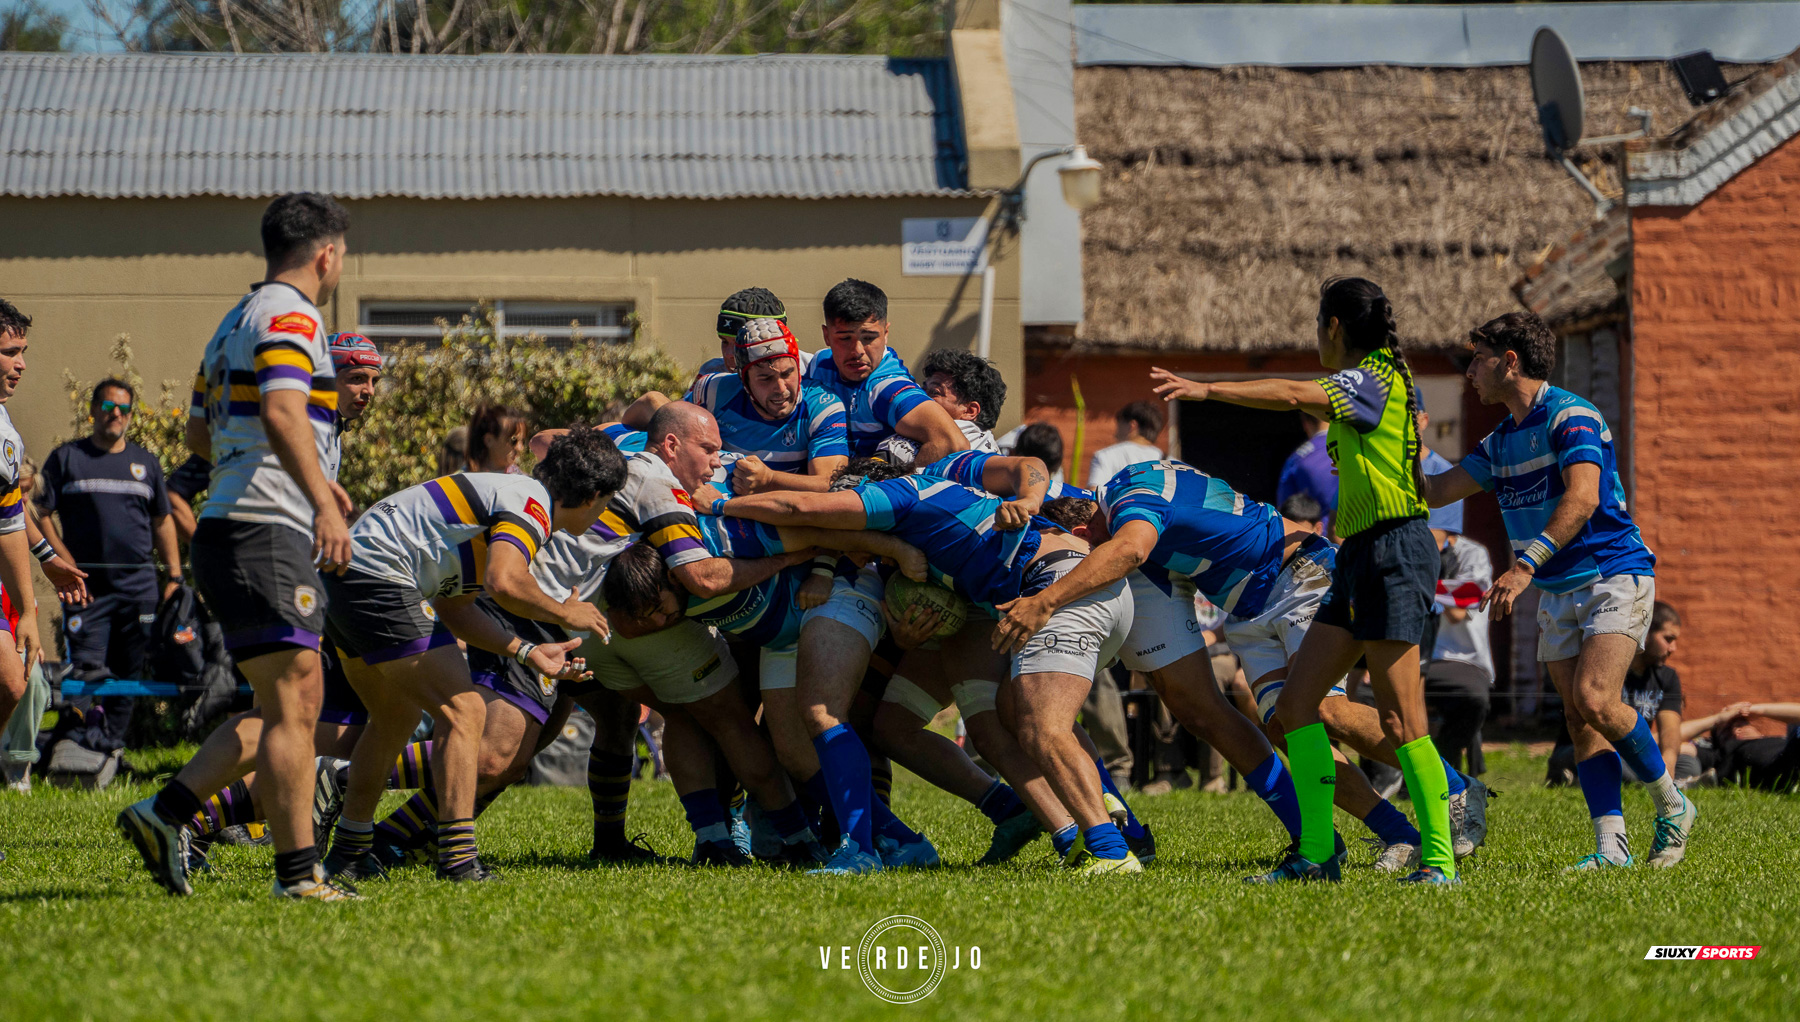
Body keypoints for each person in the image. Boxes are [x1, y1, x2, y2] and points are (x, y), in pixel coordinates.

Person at [1151, 276, 1459, 884]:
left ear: (1333, 326)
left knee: (1402, 721)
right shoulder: (1373, 385)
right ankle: (1318, 856)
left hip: (1396, 551)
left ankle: (1440, 860)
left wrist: (1205, 389)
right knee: (1294, 707)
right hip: (1358, 556)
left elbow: (1295, 394)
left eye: (1317, 322)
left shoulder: (1370, 378)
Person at [722, 461, 1146, 874]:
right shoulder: (924, 516)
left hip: (1061, 586)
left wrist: (720, 504)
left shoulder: (900, 494)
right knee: (1009, 716)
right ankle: (1077, 835)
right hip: (1066, 589)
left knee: (1042, 727)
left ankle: (1112, 850)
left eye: (847, 513)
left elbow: (798, 510)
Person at [117, 194, 356, 902]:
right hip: (265, 527)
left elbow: (197, 433)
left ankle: (163, 815)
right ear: (326, 254)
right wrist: (321, 499)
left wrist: (247, 454)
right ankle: (297, 878)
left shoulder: (233, 321)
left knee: (279, 706)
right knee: (296, 708)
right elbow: (283, 408)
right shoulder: (292, 314)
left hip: (228, 526)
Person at [1425, 311, 1693, 871]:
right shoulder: (1500, 440)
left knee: (1596, 698)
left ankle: (1673, 806)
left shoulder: (1572, 416)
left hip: (1611, 571)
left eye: (1478, 357)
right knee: (1577, 717)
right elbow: (1438, 488)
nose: (1470, 369)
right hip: (1558, 584)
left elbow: (1584, 499)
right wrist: (1386, 451)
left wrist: (1524, 567)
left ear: (1510, 360)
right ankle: (1611, 848)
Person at [320, 429, 621, 883]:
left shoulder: (503, 502)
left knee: (394, 718)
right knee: (465, 709)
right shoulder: (530, 501)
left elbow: (455, 608)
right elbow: (505, 581)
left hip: (347, 579)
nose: (605, 514)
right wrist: (565, 611)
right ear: (594, 495)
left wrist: (527, 650)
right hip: (376, 578)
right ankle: (459, 860)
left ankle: (349, 851)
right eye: (607, 503)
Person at [35, 379, 182, 753]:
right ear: (93, 411)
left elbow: (162, 520)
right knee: (84, 670)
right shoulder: (67, 458)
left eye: (123, 408)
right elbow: (40, 512)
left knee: (128, 674)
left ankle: (110, 750)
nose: (115, 414)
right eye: (107, 407)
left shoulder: (145, 463)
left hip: (139, 588)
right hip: (85, 589)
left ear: (130, 415)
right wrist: (61, 558)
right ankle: (73, 749)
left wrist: (175, 575)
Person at [805, 279, 967, 464]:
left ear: (886, 333)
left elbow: (953, 443)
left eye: (868, 337)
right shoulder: (819, 364)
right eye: (845, 338)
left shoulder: (886, 387)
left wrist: (884, 485)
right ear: (826, 336)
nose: (857, 350)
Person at [684, 317, 849, 494]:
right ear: (744, 380)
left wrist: (770, 479)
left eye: (787, 373)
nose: (780, 388)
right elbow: (670, 432)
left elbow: (831, 485)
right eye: (765, 378)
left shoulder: (823, 407)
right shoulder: (713, 391)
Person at [0, 299, 41, 803]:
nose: (22, 365)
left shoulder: (5, 432)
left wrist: (28, 611)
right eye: (11, 353)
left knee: (12, 682)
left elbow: (9, 525)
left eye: (23, 352)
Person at [919, 349, 1004, 453]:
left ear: (969, 411)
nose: (921, 396)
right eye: (923, 389)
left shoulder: (974, 461)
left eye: (934, 392)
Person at [1276, 413, 1336, 532]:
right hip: (1362, 539)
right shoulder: (1355, 450)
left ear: (1305, 423)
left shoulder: (1297, 460)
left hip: (1320, 544)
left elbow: (1285, 514)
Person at [1085, 401, 1163, 490]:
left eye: (1119, 425)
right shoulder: (1169, 460)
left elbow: (1094, 494)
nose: (1115, 433)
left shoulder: (1104, 456)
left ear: (1132, 426)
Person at [465, 404, 526, 474]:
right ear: (489, 440)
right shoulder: (462, 480)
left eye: (522, 441)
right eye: (513, 440)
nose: (520, 448)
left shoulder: (523, 481)